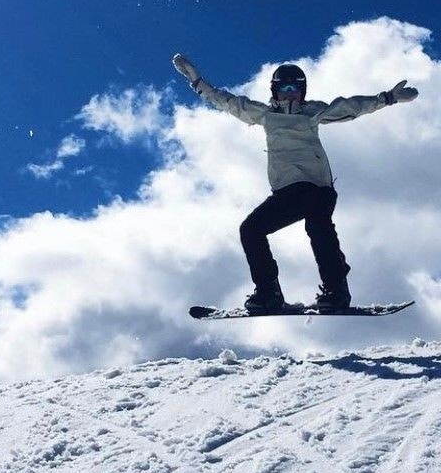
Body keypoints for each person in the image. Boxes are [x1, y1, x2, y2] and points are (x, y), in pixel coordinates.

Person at [172, 53, 419, 312]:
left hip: (315, 188)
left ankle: (297, 293)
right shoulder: (266, 115)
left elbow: (349, 107)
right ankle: (305, 293)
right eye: (284, 88)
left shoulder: (312, 112)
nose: (289, 93)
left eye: (295, 89)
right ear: (275, 90)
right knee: (283, 231)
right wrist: (197, 81)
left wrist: (388, 98)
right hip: (291, 192)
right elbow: (229, 103)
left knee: (295, 229)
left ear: (302, 92)